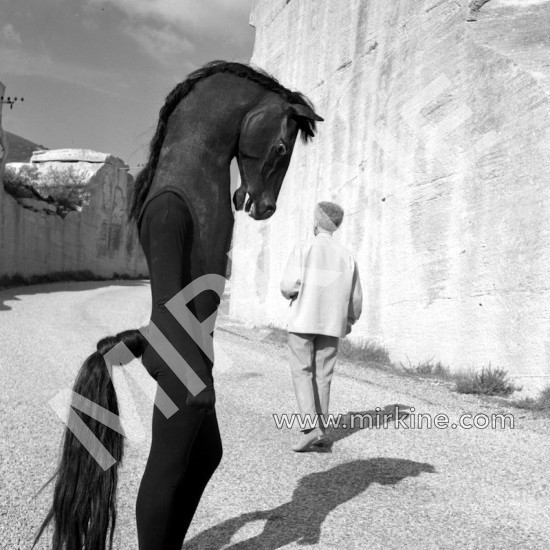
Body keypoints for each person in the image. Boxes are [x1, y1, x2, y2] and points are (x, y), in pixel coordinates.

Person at [280, 201, 363, 452]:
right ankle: (322, 432)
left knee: (302, 371)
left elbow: (288, 286)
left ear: (317, 222)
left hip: (304, 318)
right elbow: (356, 297)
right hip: (332, 324)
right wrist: (348, 320)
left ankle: (309, 429)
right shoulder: (347, 255)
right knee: (323, 376)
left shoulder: (304, 248)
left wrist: (295, 294)